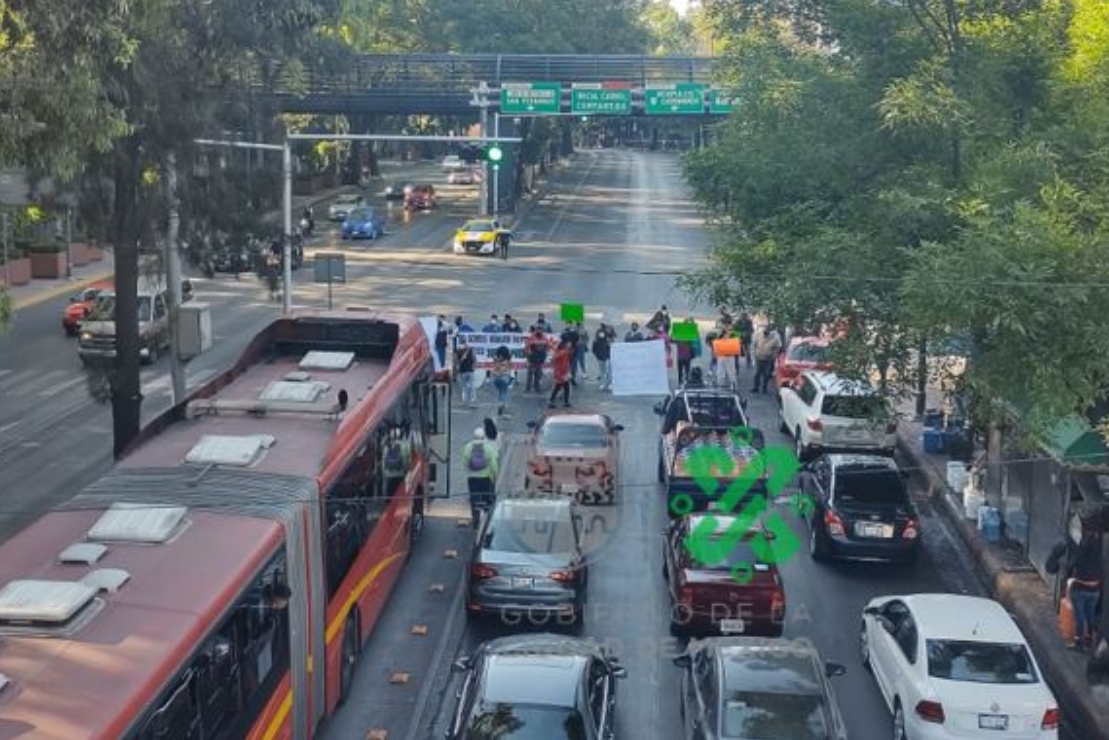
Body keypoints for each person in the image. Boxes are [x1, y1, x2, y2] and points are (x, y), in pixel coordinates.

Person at [1048, 523, 1104, 651]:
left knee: (1079, 617)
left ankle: (1079, 643)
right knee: (1089, 616)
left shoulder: (1081, 551)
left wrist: (1064, 565)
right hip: (1094, 591)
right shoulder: (1097, 553)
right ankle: (1089, 641)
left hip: (1080, 589)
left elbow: (1071, 564)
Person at [462, 428, 499, 527]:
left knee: (474, 499)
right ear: (483, 437)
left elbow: (465, 462)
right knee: (488, 499)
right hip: (485, 478)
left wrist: (469, 472)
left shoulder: (467, 447)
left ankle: (476, 521)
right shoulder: (488, 448)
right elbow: (493, 464)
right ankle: (488, 521)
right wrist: (495, 474)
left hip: (472, 478)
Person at [751, 323, 783, 394]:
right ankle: (756, 387)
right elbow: (754, 344)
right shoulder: (759, 334)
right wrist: (754, 353)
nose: (766, 334)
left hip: (768, 358)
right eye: (765, 332)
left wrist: (774, 354)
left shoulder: (775, 337)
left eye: (767, 332)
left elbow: (778, 346)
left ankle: (764, 388)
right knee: (757, 373)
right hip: (759, 357)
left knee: (766, 374)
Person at [548, 340, 573, 408]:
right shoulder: (562, 353)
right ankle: (552, 401)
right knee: (558, 387)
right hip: (560, 372)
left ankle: (565, 401)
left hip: (563, 372)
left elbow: (569, 354)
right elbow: (555, 358)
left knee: (564, 387)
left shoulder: (561, 352)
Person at [490, 346, 514, 417]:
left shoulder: (496, 361)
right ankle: (502, 407)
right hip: (504, 379)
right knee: (503, 393)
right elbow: (508, 370)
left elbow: (494, 371)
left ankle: (500, 405)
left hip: (496, 379)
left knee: (500, 393)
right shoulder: (508, 361)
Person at [525, 328, 549, 393]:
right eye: (538, 330)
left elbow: (547, 346)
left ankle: (537, 388)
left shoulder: (544, 337)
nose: (539, 331)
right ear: (536, 331)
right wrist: (528, 356)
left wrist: (544, 356)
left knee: (538, 375)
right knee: (530, 374)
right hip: (532, 359)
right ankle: (528, 388)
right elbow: (527, 346)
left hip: (540, 359)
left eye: (540, 330)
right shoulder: (532, 337)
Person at [455, 337, 477, 406]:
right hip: (466, 371)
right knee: (468, 387)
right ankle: (468, 401)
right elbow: (458, 361)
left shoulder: (468, 350)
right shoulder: (460, 351)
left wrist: (474, 366)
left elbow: (474, 359)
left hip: (467, 371)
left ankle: (470, 401)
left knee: (468, 387)